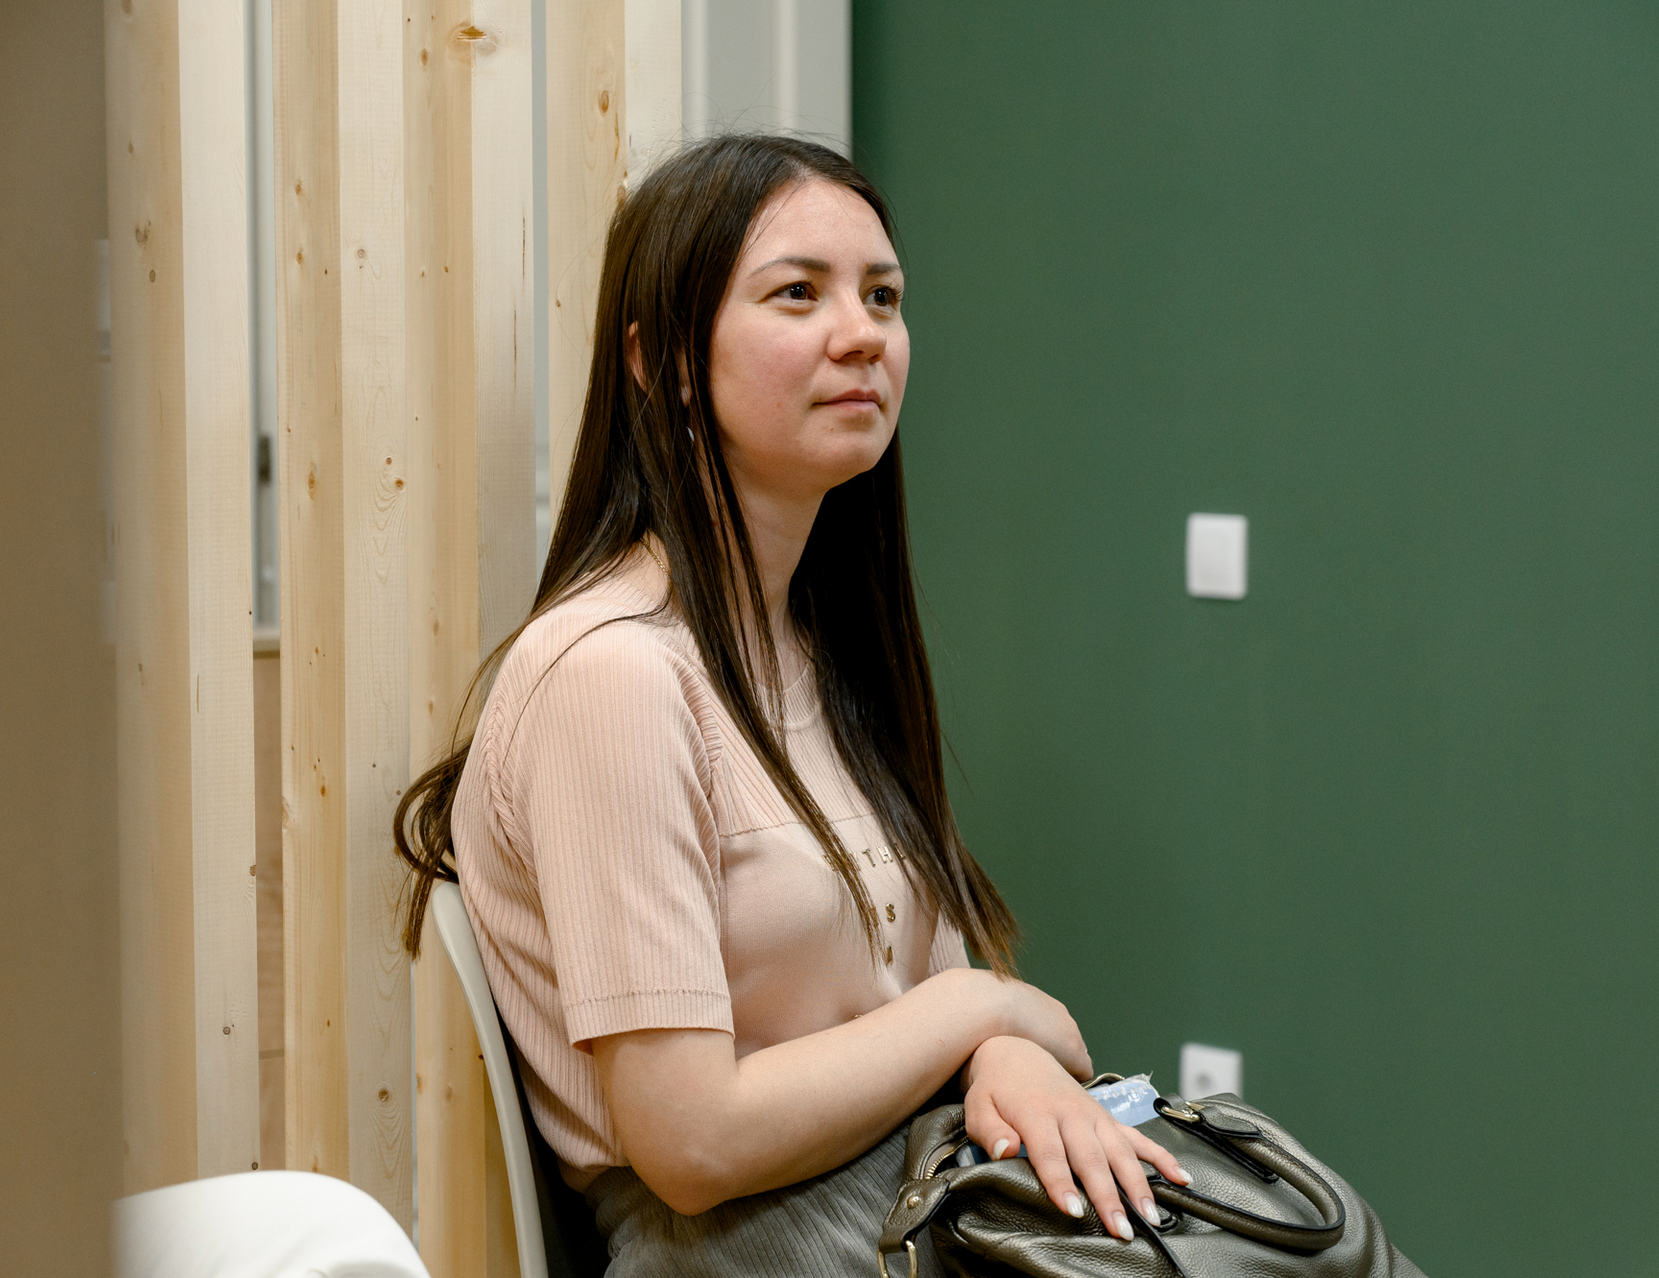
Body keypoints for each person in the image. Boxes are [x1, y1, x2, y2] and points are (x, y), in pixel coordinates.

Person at [394, 133, 1188, 1274]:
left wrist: (1002, 1052)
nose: (863, 333)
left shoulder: (824, 654)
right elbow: (691, 1142)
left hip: (907, 1183)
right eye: (798, 294)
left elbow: (952, 994)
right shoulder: (611, 675)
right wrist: (981, 1013)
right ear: (664, 359)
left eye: (883, 297)